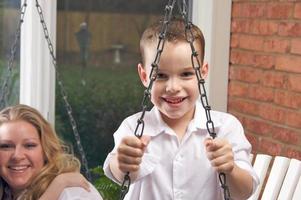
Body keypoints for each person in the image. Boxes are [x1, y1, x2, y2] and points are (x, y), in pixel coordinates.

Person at [103, 18, 259, 200]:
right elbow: (121, 175)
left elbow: (244, 191)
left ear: (203, 72)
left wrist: (230, 168)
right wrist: (122, 164)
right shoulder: (134, 128)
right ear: (144, 76)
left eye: (186, 74)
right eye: (160, 75)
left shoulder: (224, 127)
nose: (173, 87)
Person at [0, 104, 103, 200]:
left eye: (29, 145)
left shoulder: (73, 194)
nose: (17, 156)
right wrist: (56, 188)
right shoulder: (7, 192)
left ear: (46, 150)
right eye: (6, 146)